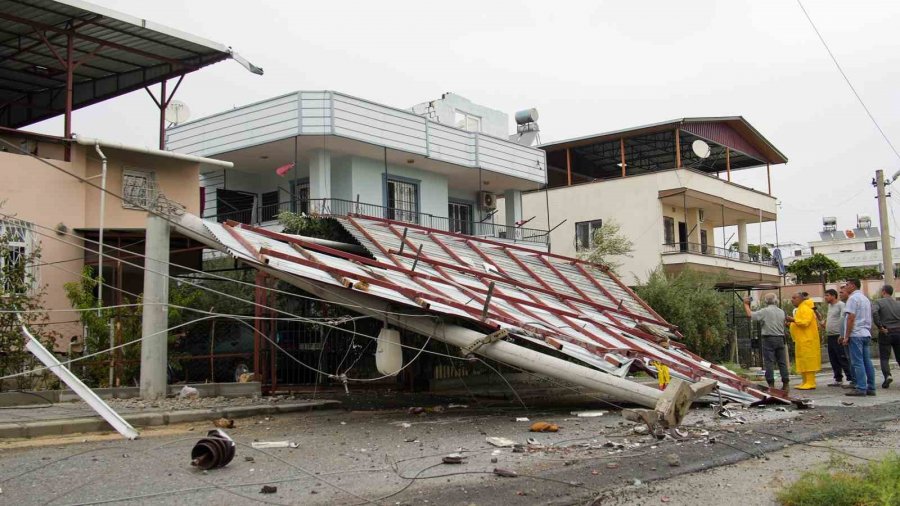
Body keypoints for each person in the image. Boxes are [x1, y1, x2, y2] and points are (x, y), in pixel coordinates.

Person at [743, 294, 789, 390]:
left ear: (765, 301)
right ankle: (786, 383)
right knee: (782, 362)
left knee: (769, 362)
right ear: (776, 301)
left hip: (769, 339)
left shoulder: (765, 311)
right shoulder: (782, 312)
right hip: (780, 338)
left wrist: (746, 304)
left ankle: (771, 384)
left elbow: (750, 315)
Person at [842, 279, 876, 397]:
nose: (845, 287)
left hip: (856, 334)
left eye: (847, 285)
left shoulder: (852, 299)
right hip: (865, 333)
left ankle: (861, 388)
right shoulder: (865, 299)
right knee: (867, 361)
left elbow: (851, 318)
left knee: (857, 362)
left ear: (853, 285)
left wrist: (846, 336)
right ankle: (871, 387)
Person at [786, 292, 821, 389]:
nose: (792, 300)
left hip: (807, 340)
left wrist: (793, 320)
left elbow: (805, 322)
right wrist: (791, 324)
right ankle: (805, 381)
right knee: (803, 361)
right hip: (802, 339)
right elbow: (800, 322)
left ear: (801, 299)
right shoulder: (800, 309)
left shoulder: (806, 309)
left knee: (808, 361)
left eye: (794, 298)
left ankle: (810, 382)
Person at [819, 288, 853, 386]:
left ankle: (850, 378)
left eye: (827, 295)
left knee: (842, 357)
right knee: (833, 359)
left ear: (833, 296)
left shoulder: (841, 305)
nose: (825, 297)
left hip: (838, 335)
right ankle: (838, 379)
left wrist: (843, 335)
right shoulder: (830, 306)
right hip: (830, 335)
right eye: (825, 295)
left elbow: (844, 319)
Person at [871, 284, 900, 388]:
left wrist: (880, 326)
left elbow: (874, 312)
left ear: (883, 291)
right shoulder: (898, 303)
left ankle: (887, 376)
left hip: (886, 332)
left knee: (884, 357)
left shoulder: (878, 302)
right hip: (898, 332)